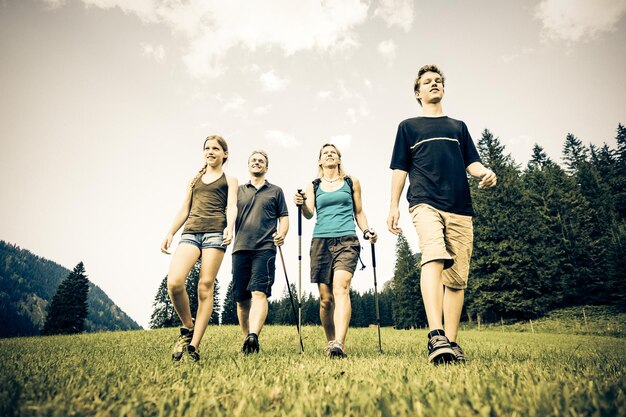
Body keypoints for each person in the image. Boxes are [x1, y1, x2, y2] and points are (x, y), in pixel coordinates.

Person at [387, 64, 497, 365]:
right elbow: (400, 169)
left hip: (460, 206)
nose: (434, 84)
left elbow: (472, 163)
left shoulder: (457, 127)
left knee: (457, 279)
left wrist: (485, 172)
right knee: (433, 254)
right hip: (424, 201)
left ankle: (450, 342)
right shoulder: (408, 127)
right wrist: (393, 206)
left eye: (438, 81)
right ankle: (435, 334)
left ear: (443, 89)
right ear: (417, 92)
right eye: (427, 82)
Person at [294, 143, 377, 358]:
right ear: (320, 161)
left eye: (333, 153)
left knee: (341, 287)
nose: (329, 155)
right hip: (321, 241)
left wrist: (367, 231)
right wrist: (301, 203)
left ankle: (340, 343)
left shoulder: (351, 182)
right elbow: (309, 214)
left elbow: (359, 212)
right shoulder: (314, 185)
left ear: (339, 159)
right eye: (325, 153)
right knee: (326, 299)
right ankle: (330, 341)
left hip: (347, 239)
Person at [160, 135, 238, 362]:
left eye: (215, 148)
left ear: (225, 154)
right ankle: (188, 327)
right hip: (191, 233)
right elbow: (185, 208)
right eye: (207, 148)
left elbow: (231, 205)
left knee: (205, 286)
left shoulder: (230, 180)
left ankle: (194, 346)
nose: (210, 151)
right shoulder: (194, 180)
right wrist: (170, 232)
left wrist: (229, 227)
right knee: (174, 282)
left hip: (215, 233)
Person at [232, 150, 289, 354]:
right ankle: (246, 339)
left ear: (266, 167)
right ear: (248, 166)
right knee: (241, 299)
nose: (257, 163)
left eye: (261, 161)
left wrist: (282, 233)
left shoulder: (275, 191)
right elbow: (228, 215)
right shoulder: (237, 191)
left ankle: (253, 335)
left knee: (259, 292)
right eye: (253, 160)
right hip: (240, 248)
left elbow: (284, 217)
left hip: (265, 248)